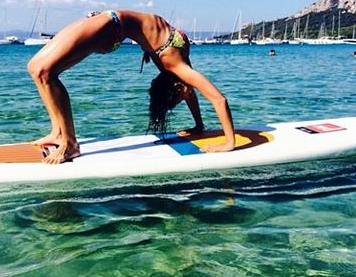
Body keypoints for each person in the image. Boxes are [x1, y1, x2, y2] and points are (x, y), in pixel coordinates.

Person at [27, 10, 235, 164]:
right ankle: (61, 135)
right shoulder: (175, 66)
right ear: (177, 88)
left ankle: (67, 140)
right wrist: (229, 143)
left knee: (44, 72)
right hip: (108, 25)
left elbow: (190, 91)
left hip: (108, 25)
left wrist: (199, 125)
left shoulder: (175, 65)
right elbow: (218, 99)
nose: (188, 95)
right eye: (180, 99)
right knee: (36, 69)